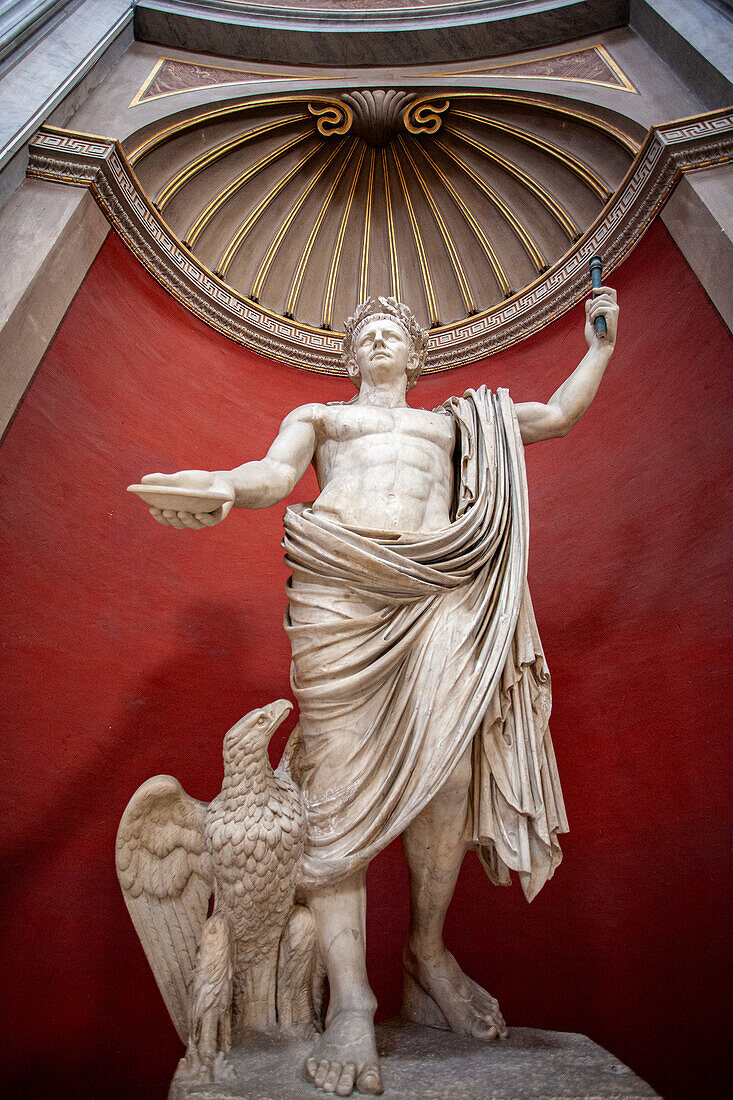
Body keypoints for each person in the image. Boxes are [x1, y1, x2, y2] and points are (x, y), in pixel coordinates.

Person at [141, 286, 618, 1097]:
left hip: (436, 595)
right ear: (350, 355)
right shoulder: (324, 419)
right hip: (340, 597)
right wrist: (220, 484)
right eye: (365, 335)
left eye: (392, 332)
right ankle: (351, 1002)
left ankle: (424, 952)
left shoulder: (457, 424)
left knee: (450, 778)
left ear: (416, 352)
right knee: (337, 792)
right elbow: (270, 475)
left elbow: (554, 417)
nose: (378, 342)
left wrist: (599, 346)